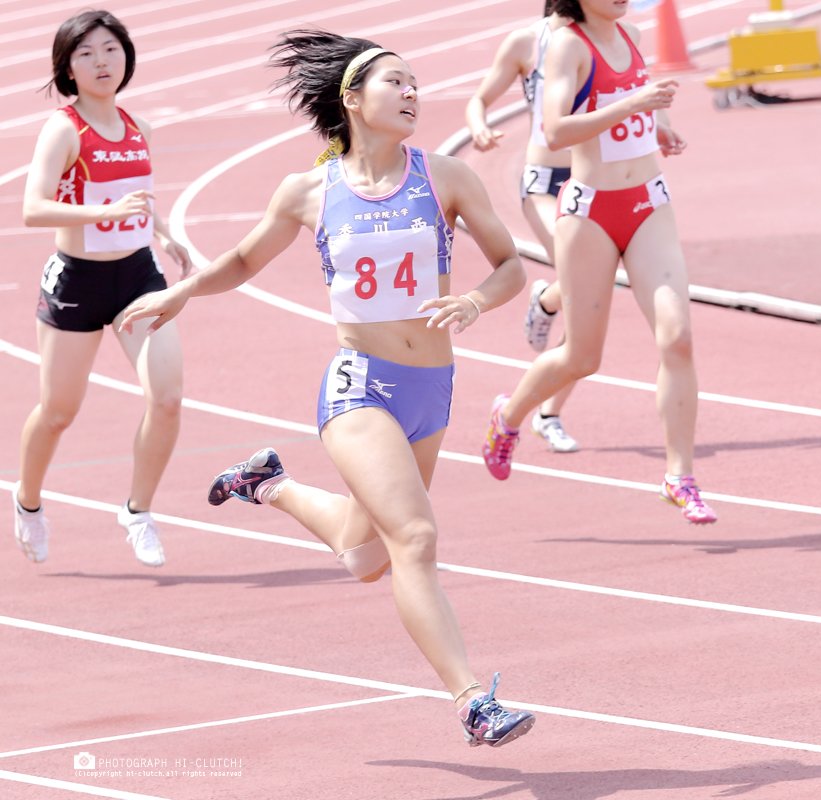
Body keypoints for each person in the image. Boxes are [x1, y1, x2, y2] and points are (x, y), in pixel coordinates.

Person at [120, 30, 536, 747]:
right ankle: (472, 701)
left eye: (415, 84)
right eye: (395, 83)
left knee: (366, 555)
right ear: (352, 98)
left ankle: (267, 485)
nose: (412, 94)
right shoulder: (309, 191)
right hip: (360, 386)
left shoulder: (444, 177)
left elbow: (511, 267)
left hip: (431, 387)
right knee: (415, 536)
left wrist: (472, 301)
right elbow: (245, 258)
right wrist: (180, 290)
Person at [480, 0, 717, 525]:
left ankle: (680, 477)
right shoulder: (568, 44)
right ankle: (510, 415)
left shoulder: (630, 32)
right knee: (583, 357)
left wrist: (660, 125)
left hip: (648, 203)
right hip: (589, 212)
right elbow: (557, 129)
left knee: (677, 337)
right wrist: (636, 104)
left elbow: (641, 106)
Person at [14, 10, 192, 567]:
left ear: (127, 57)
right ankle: (28, 502)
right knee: (58, 412)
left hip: (138, 275)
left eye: (111, 50)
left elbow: (140, 193)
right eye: (86, 53)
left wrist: (164, 233)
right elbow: (32, 208)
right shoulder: (65, 129)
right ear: (67, 66)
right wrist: (104, 209)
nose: (101, 62)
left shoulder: (134, 124)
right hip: (78, 279)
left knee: (166, 399)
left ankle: (138, 511)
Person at [465, 2, 580, 454]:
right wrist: (478, 127)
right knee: (581, 274)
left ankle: (549, 412)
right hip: (546, 182)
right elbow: (479, 99)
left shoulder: (608, 39)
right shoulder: (526, 41)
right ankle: (553, 296)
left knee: (591, 300)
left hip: (597, 181)